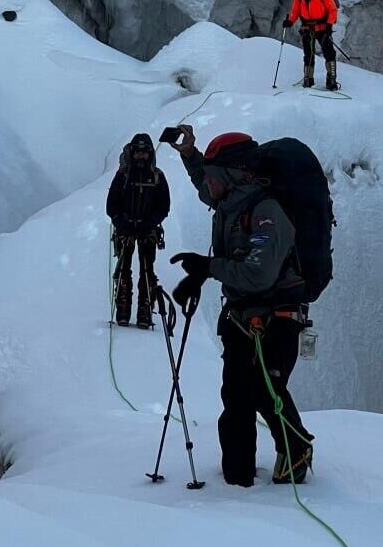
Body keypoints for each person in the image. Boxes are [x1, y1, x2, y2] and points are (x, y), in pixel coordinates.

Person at [168, 126, 315, 486]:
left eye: (215, 178)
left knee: (265, 390)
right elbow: (206, 183)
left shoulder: (266, 212)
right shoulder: (229, 202)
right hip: (241, 317)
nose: (208, 186)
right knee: (235, 395)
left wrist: (208, 268)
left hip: (277, 317)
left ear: (233, 177)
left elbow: (259, 274)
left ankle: (296, 451)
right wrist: (191, 155)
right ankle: (236, 478)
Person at [106, 133, 169, 329]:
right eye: (138, 152)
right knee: (125, 268)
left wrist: (149, 222)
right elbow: (111, 205)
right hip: (128, 228)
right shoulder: (124, 175)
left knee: (146, 269)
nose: (141, 156)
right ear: (132, 153)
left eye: (144, 152)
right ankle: (124, 309)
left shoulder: (156, 176)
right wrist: (121, 222)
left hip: (146, 229)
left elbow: (164, 206)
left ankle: (144, 310)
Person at [283, 0, 339, 91]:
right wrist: (290, 21)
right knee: (308, 54)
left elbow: (332, 10)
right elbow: (295, 12)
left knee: (329, 53)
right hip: (307, 29)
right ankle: (308, 79)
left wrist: (329, 25)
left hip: (323, 28)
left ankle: (331, 79)